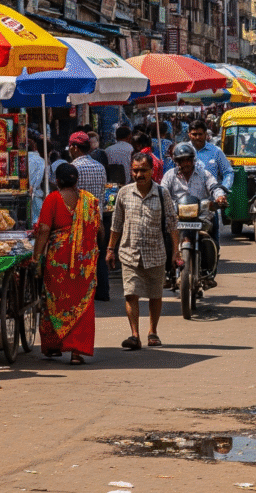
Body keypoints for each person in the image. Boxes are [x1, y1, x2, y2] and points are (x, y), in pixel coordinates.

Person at [107, 151, 180, 350]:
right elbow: (117, 224)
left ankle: (152, 331)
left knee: (155, 295)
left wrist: (176, 251)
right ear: (131, 171)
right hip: (129, 252)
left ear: (152, 171)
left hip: (155, 253)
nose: (139, 174)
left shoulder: (161, 193)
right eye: (136, 170)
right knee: (131, 294)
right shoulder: (124, 193)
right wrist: (110, 249)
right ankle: (134, 335)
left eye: (144, 170)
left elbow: (173, 223)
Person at [33, 162, 101, 364]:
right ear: (76, 180)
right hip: (84, 262)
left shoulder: (53, 199)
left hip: (58, 261)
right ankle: (77, 353)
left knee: (55, 302)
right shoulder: (89, 201)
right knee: (83, 304)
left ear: (57, 181)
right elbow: (99, 227)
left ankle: (53, 346)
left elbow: (44, 229)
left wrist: (36, 256)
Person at [162, 141, 228, 263]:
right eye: (181, 160)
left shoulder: (204, 174)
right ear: (177, 162)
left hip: (201, 216)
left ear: (193, 160)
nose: (185, 163)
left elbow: (214, 187)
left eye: (188, 160)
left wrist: (220, 197)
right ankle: (167, 271)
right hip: (176, 217)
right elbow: (163, 192)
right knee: (163, 236)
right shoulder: (169, 176)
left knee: (213, 235)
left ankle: (209, 269)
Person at [69, 131, 110, 302]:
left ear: (75, 148)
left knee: (78, 256)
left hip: (78, 219)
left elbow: (71, 195)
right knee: (98, 254)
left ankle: (81, 291)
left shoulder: (73, 168)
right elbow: (102, 192)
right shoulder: (99, 167)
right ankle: (102, 292)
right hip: (97, 218)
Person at [27, 131, 47, 226]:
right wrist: (33, 187)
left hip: (26, 194)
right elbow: (40, 177)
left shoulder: (23, 159)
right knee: (37, 223)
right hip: (36, 194)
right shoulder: (41, 161)